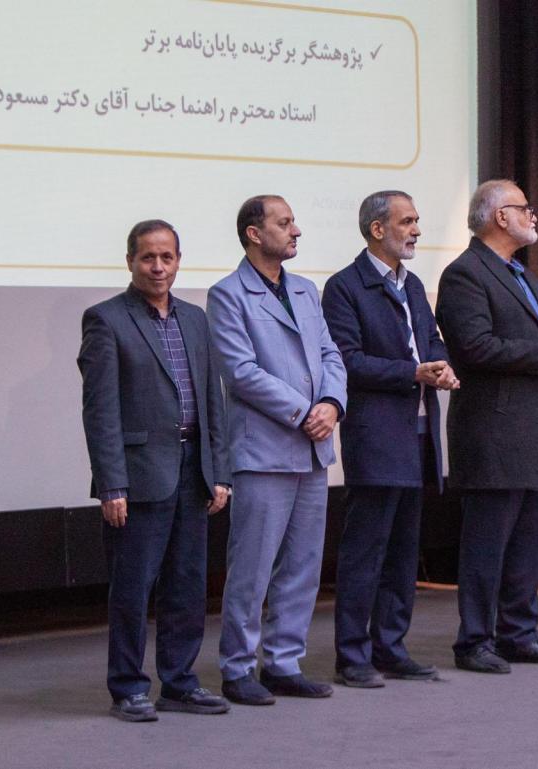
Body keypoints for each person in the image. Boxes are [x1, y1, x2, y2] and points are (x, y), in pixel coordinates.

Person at [77, 219, 232, 722]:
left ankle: (180, 683)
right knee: (133, 588)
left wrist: (220, 472)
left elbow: (212, 400)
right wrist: (111, 484)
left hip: (193, 470)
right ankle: (127, 688)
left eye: (167, 257)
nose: (158, 267)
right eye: (148, 257)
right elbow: (100, 411)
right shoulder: (106, 319)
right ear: (130, 261)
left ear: (179, 261)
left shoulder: (196, 319)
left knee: (187, 585)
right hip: (139, 474)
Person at [207, 194, 347, 705]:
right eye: (285, 223)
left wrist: (332, 404)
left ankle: (284, 663)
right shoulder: (228, 295)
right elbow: (240, 371)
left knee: (304, 565)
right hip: (264, 450)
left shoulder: (306, 290)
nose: (296, 231)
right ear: (254, 233)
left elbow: (331, 354)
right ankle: (238, 667)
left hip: (312, 449)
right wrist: (304, 411)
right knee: (252, 567)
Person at [435, 179, 538, 674]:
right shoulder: (465, 274)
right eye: (524, 208)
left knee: (530, 545)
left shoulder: (523, 275)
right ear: (500, 217)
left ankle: (520, 634)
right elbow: (473, 348)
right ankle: (474, 641)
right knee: (487, 546)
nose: (533, 216)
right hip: (494, 435)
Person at [320, 190, 458, 688]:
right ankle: (352, 656)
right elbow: (347, 361)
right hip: (376, 436)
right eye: (408, 221)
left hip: (419, 435)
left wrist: (441, 366)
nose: (417, 230)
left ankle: (391, 648)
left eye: (417, 220)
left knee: (403, 553)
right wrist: (412, 372)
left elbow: (432, 341)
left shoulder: (414, 284)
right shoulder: (344, 287)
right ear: (377, 229)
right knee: (366, 553)